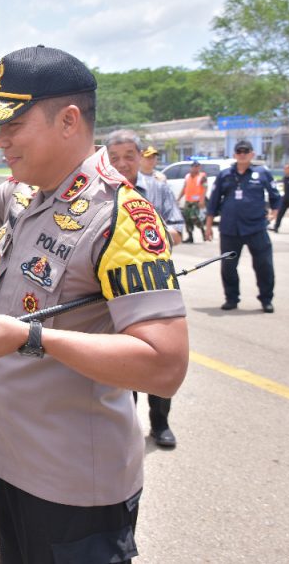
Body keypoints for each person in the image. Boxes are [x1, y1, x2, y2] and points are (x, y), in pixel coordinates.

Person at [0, 45, 189, 563]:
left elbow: (165, 365)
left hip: (75, 483)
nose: (1, 141)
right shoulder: (26, 194)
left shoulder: (120, 215)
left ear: (68, 120)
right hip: (14, 462)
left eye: (12, 125)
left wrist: (32, 337)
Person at [106, 129, 184, 450]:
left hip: (153, 287)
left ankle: (161, 423)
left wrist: (153, 234)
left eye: (128, 156)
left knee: (157, 358)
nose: (122, 164)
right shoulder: (100, 191)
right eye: (114, 158)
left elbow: (178, 229)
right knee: (125, 362)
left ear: (140, 156)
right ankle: (128, 425)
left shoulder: (158, 190)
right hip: (112, 293)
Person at [205, 140, 281, 313]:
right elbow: (214, 201)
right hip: (230, 229)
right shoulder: (225, 175)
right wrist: (208, 225)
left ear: (252, 154)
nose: (242, 154)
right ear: (234, 154)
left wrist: (274, 212)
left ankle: (266, 299)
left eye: (246, 151)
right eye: (239, 151)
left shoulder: (261, 173)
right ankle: (231, 298)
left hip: (256, 227)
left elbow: (275, 194)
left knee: (264, 265)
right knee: (229, 266)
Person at [177, 160, 208, 243]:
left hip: (197, 201)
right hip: (188, 201)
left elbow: (205, 188)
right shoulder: (187, 176)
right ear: (191, 167)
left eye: (197, 166)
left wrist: (202, 200)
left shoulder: (202, 176)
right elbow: (184, 188)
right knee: (187, 219)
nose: (196, 168)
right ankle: (190, 237)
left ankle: (203, 233)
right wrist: (179, 198)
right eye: (194, 166)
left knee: (196, 218)